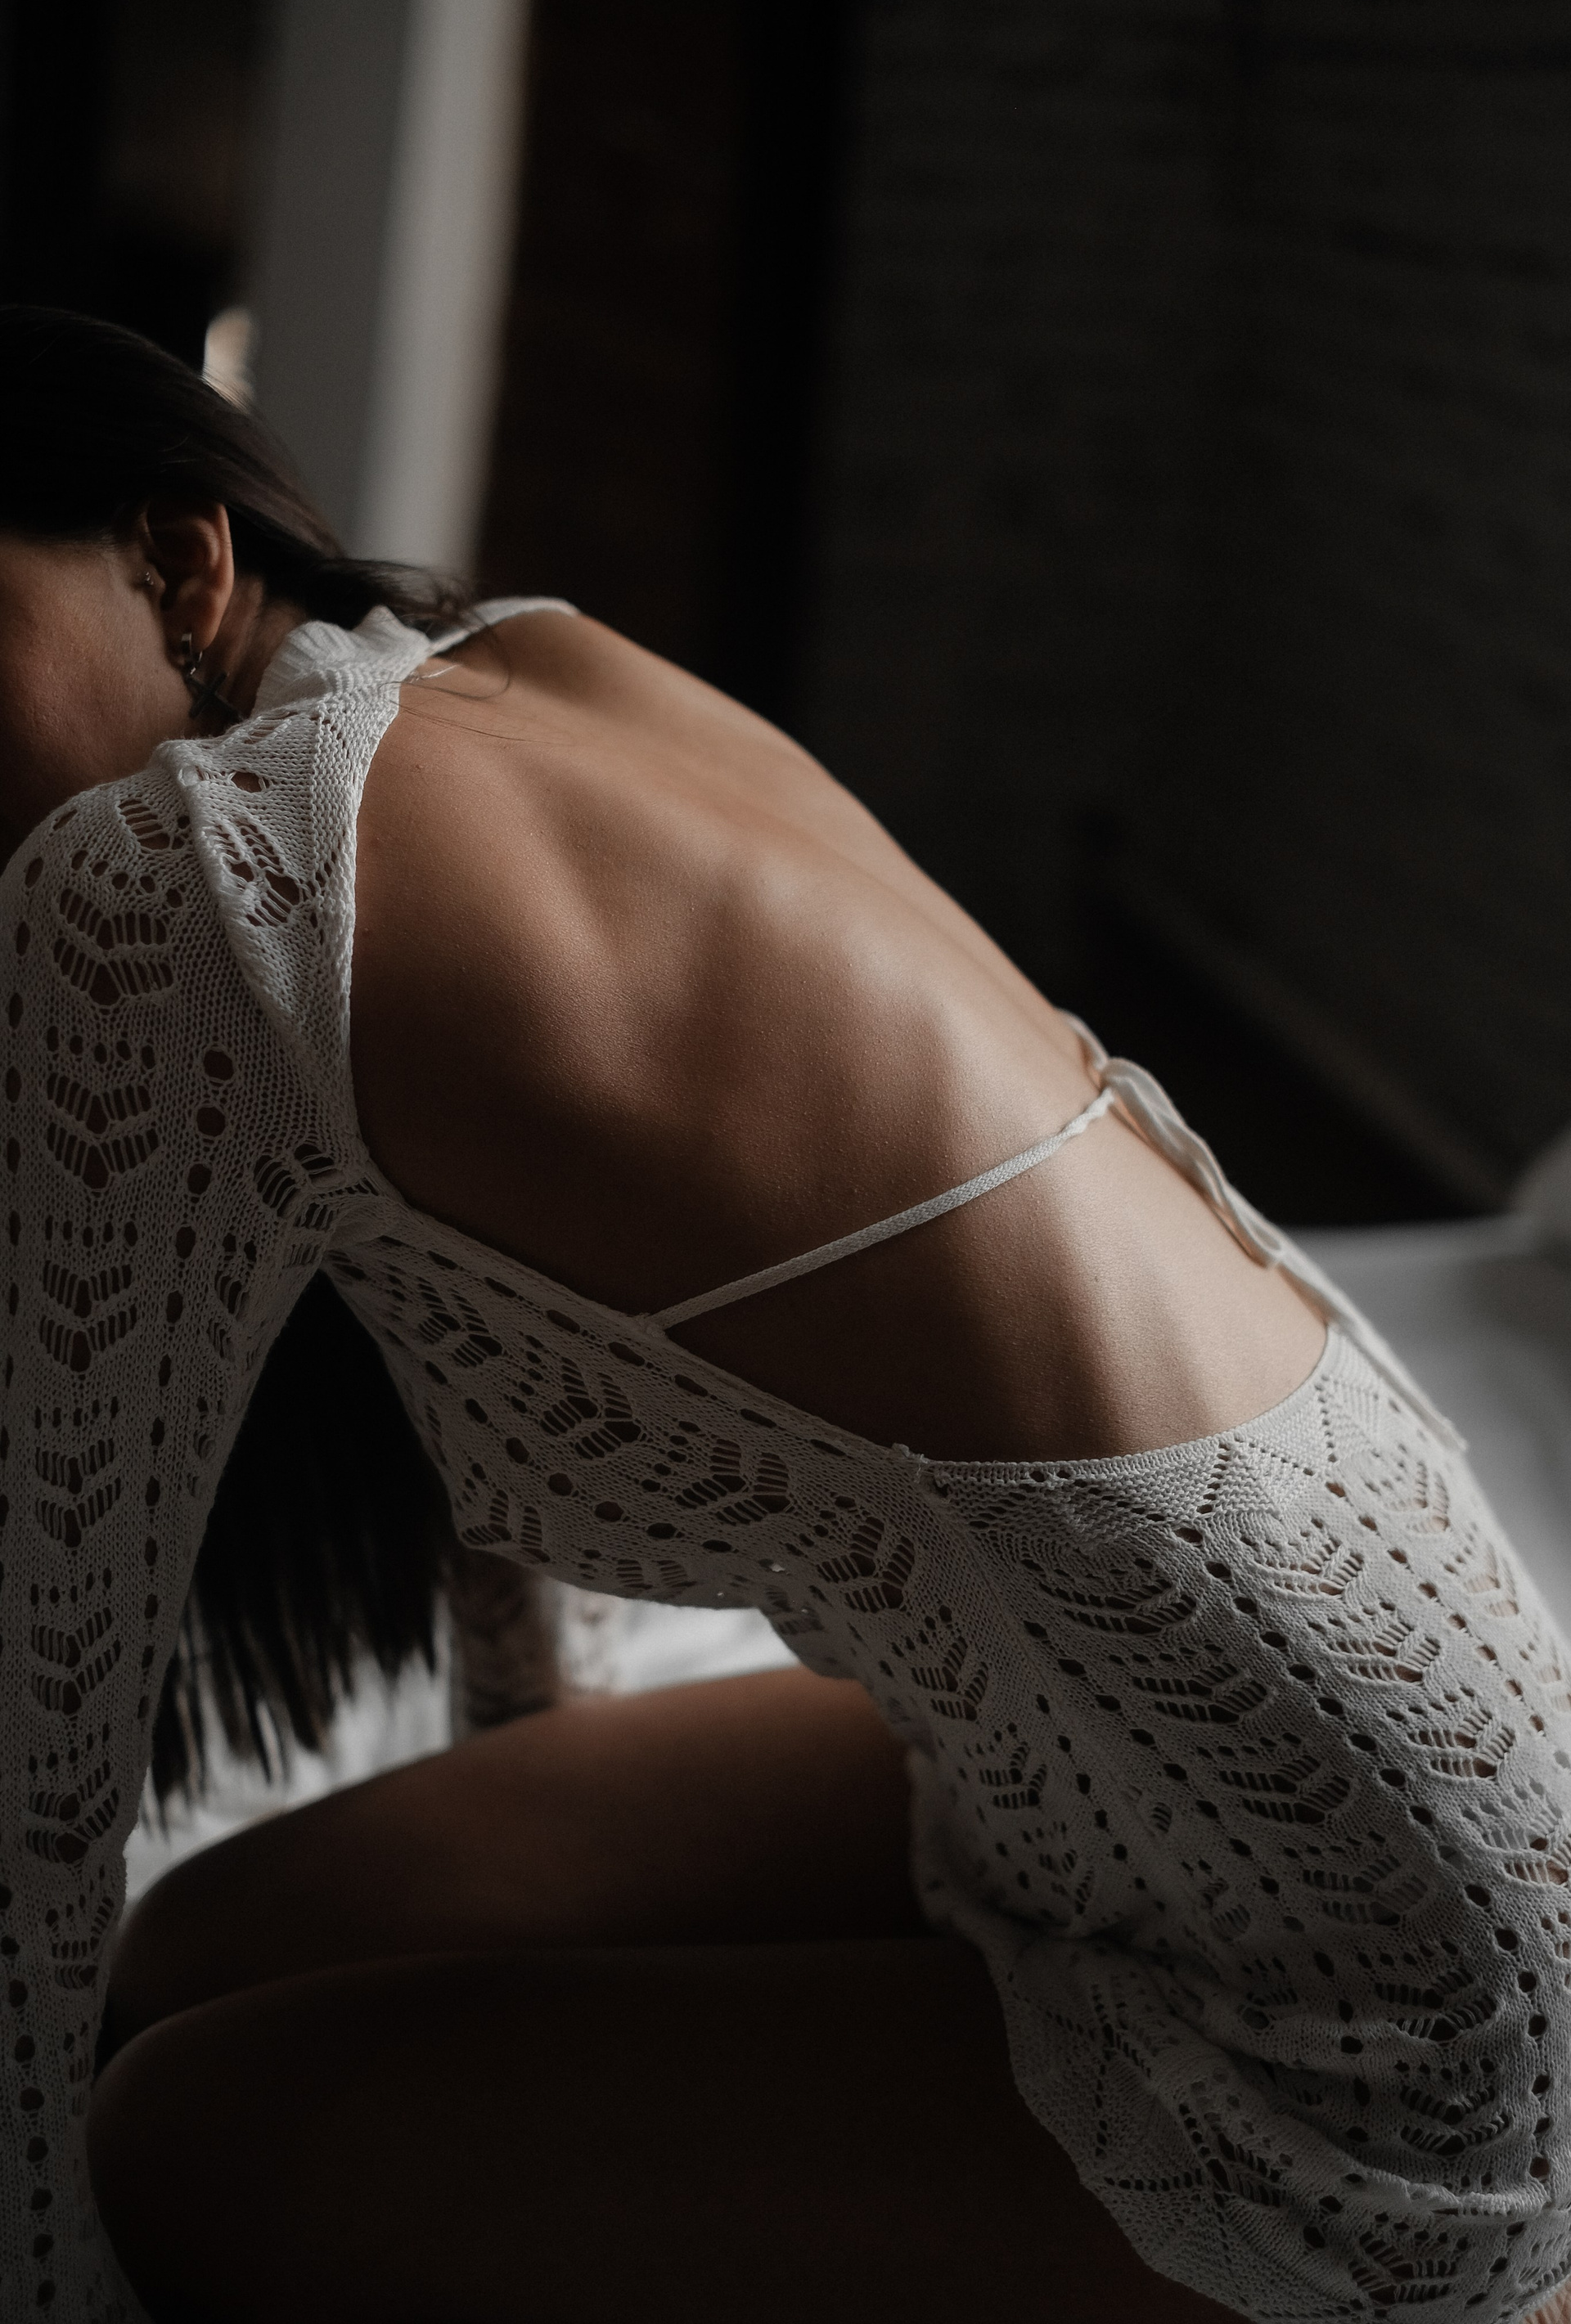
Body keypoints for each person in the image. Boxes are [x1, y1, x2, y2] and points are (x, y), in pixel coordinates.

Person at [0, 306, 1565, 2324]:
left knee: (172, 2136)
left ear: (177, 556)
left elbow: (38, 1774)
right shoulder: (516, 660)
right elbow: (483, 1316)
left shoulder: (169, 887)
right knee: (198, 1951)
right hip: (1357, 1768)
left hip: (1371, 2049)